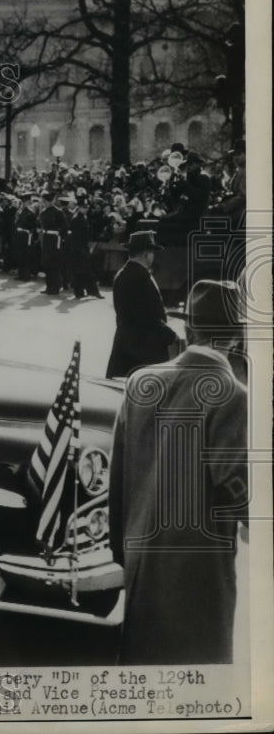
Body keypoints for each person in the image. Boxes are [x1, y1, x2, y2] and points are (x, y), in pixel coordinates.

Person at [109, 280, 248, 664]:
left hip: (140, 566)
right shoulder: (233, 396)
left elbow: (116, 485)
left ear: (188, 330)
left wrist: (124, 555)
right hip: (198, 583)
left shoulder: (140, 382)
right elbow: (240, 495)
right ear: (236, 338)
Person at [106, 230, 177, 378]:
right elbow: (148, 318)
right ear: (146, 254)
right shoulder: (141, 277)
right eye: (152, 252)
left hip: (126, 344)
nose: (153, 256)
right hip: (143, 349)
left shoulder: (123, 273)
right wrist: (172, 336)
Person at [38, 191, 69, 294]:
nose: (44, 203)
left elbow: (65, 227)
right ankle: (48, 286)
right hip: (46, 238)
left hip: (55, 240)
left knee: (54, 264)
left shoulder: (58, 212)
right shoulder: (44, 212)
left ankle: (55, 287)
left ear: (51, 201)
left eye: (46, 201)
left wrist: (60, 237)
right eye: (43, 201)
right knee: (46, 263)